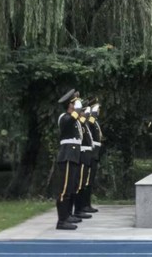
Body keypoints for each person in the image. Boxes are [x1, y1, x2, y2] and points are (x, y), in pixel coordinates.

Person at [54, 89, 83, 231]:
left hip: (73, 155)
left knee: (71, 188)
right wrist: (77, 108)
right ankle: (61, 220)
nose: (77, 105)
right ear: (69, 105)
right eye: (75, 103)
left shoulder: (74, 119)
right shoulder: (64, 117)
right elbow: (72, 119)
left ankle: (67, 215)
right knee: (64, 189)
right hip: (67, 155)